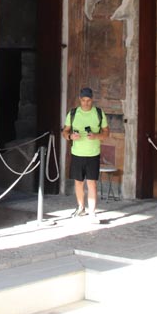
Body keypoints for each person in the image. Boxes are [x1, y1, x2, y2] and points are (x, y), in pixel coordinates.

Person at [62, 87, 109, 224]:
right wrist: (71, 136)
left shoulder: (99, 113)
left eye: (88, 100)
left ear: (92, 99)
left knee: (92, 183)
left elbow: (106, 133)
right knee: (78, 182)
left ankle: (92, 212)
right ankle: (81, 207)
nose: (86, 103)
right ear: (79, 99)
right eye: (83, 100)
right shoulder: (73, 113)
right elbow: (64, 132)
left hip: (93, 153)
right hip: (77, 153)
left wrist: (96, 136)